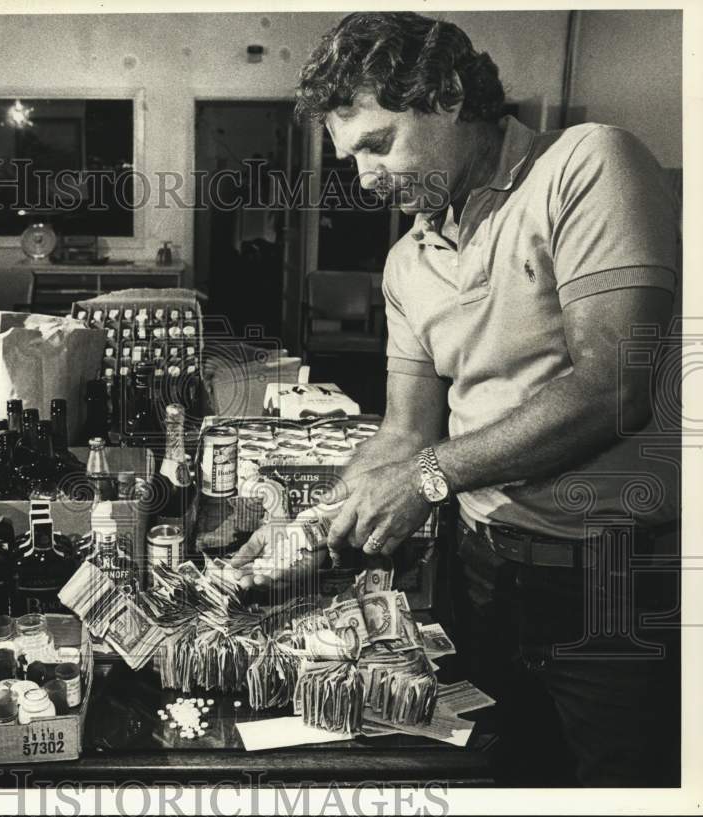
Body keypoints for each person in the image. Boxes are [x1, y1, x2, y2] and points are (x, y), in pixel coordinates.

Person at [231, 11, 680, 787]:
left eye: (378, 143)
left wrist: (429, 477)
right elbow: (407, 432)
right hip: (482, 574)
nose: (365, 177)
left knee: (620, 785)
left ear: (443, 97)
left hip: (608, 575)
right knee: (496, 777)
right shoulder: (409, 258)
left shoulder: (587, 165)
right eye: (351, 156)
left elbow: (614, 385)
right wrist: (311, 516)